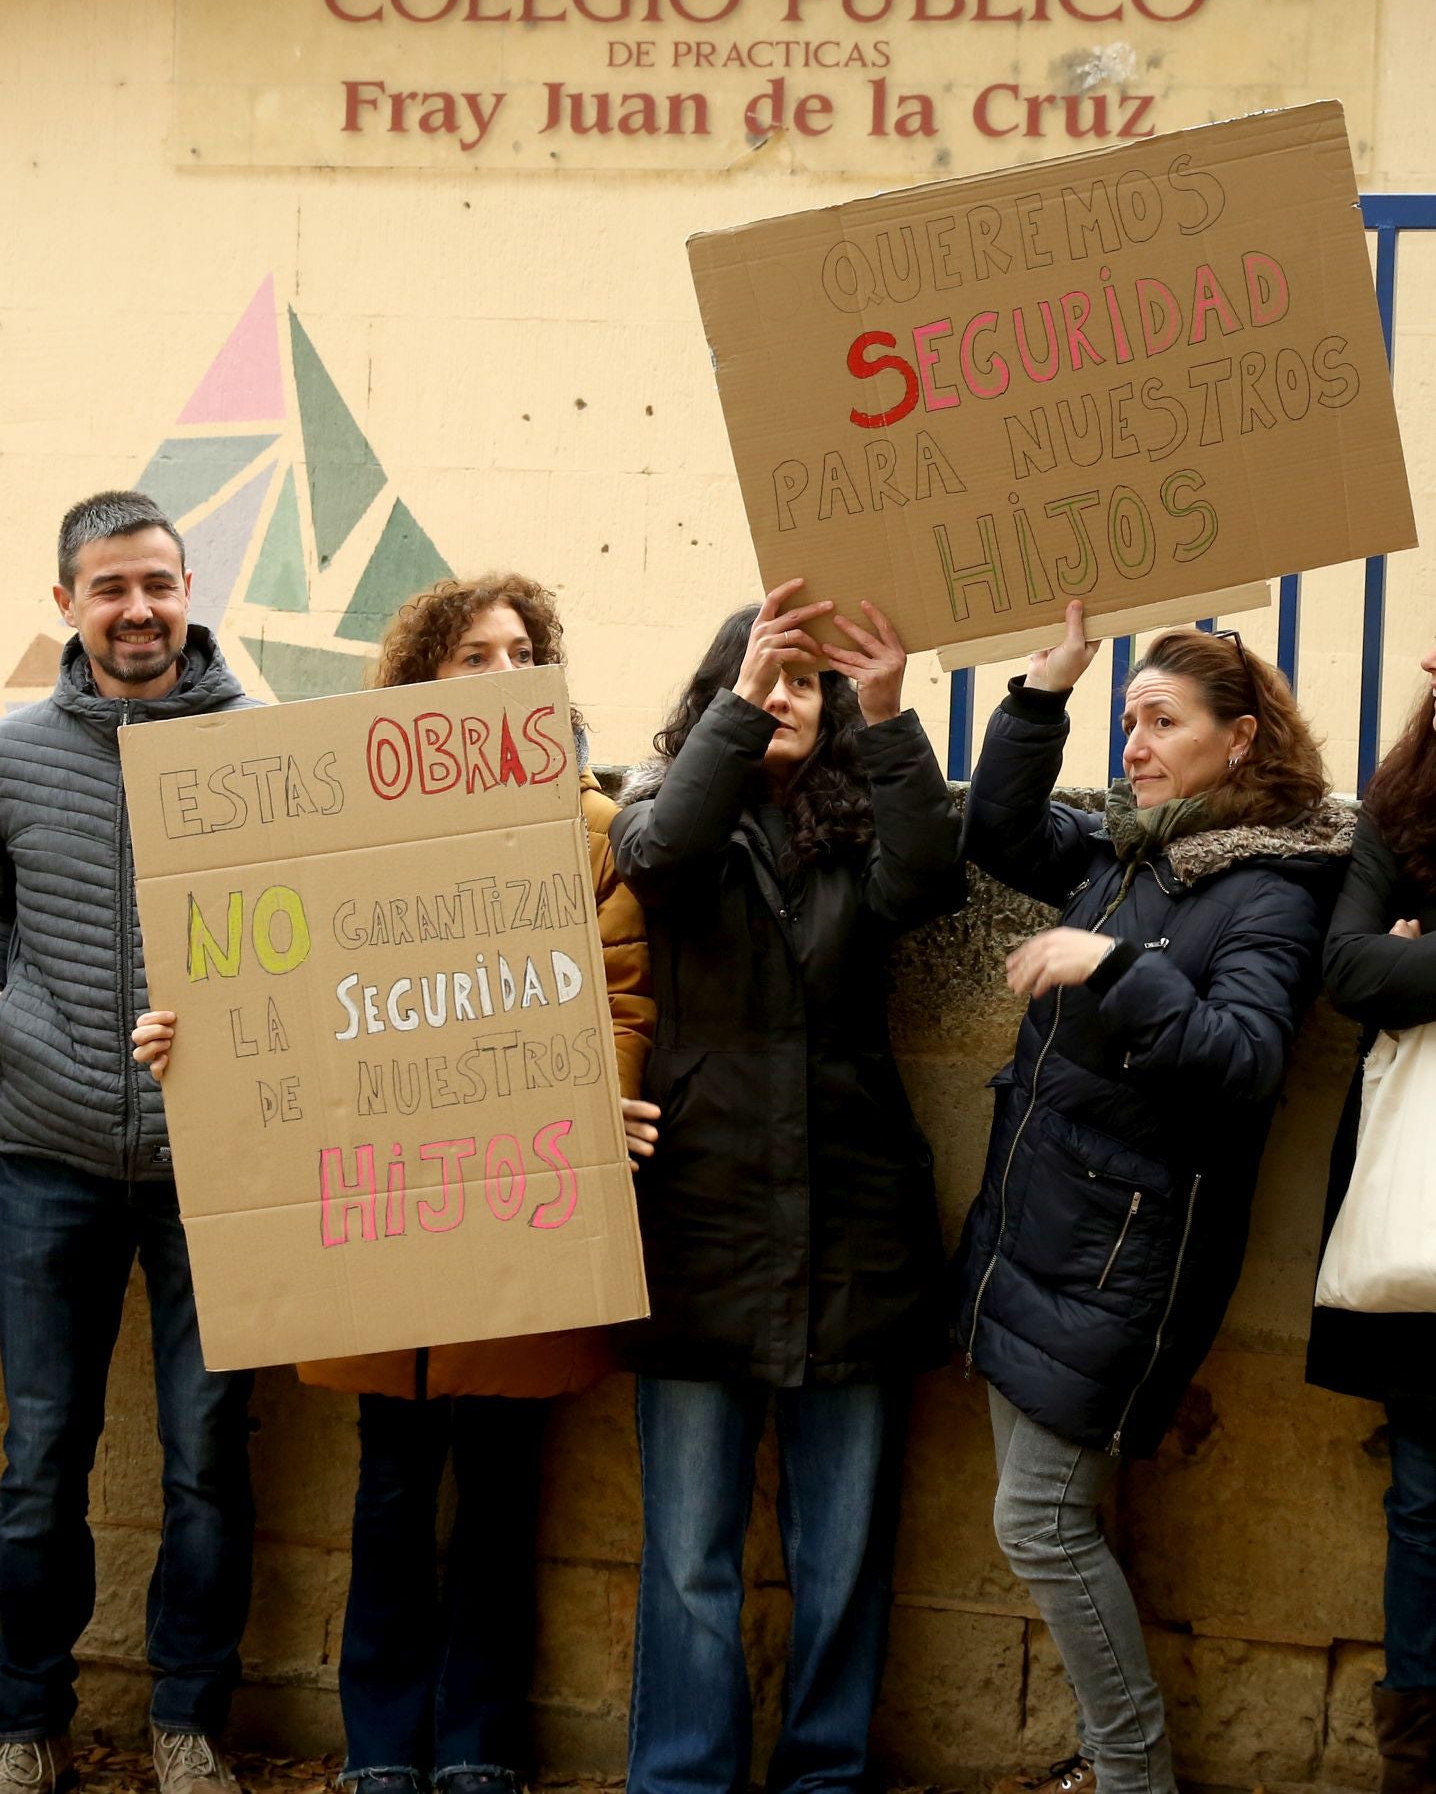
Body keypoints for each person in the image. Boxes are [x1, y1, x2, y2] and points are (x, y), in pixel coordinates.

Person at [136, 573, 656, 1794]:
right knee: (388, 1489)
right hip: (381, 1225)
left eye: (518, 651)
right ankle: (379, 1751)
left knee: (499, 1497)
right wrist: (188, 1044)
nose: (497, 671)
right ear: (419, 679)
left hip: (518, 1209)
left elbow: (622, 993)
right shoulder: (333, 830)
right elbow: (268, 992)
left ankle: (475, 1746)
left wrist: (586, 1105)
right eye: (470, 654)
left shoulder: (587, 828)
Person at [953, 600, 1354, 1794]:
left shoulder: (1271, 887)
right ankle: (1110, 1761)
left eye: (1159, 720)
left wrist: (1115, 965)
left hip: (1122, 1257)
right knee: (1051, 1520)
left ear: (1240, 741)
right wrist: (1044, 689)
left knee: (1037, 1524)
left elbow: (1242, 1063)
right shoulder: (1128, 844)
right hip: (1040, 1234)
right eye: (1126, 719)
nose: (1131, 743)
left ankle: (1132, 1776)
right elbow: (995, 828)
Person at [610, 580, 965, 1794]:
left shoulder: (866, 825)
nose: (785, 701)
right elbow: (653, 859)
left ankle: (824, 1775)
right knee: (690, 1554)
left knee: (843, 1551)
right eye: (765, 676)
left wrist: (891, 712)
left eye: (805, 684)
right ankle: (679, 1777)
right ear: (720, 694)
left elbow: (927, 882)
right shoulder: (667, 809)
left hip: (853, 1229)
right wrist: (739, 709)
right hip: (699, 1227)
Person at [0, 492, 255, 1794]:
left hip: (221, 1173)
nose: (139, 609)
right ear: (66, 606)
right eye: (110, 589)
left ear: (189, 585)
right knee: (41, 1455)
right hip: (44, 1159)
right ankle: (23, 1718)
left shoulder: (268, 750)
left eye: (158, 582)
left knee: (210, 1456)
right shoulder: (8, 757)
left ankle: (188, 1722)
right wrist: (31, 1040)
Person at [1308, 638, 1436, 1794]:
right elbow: (1348, 969)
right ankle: (1416, 1761)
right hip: (1424, 1221)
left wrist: (1422, 961)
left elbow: (1392, 965)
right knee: (1427, 1499)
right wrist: (1391, 961)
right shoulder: (1399, 810)